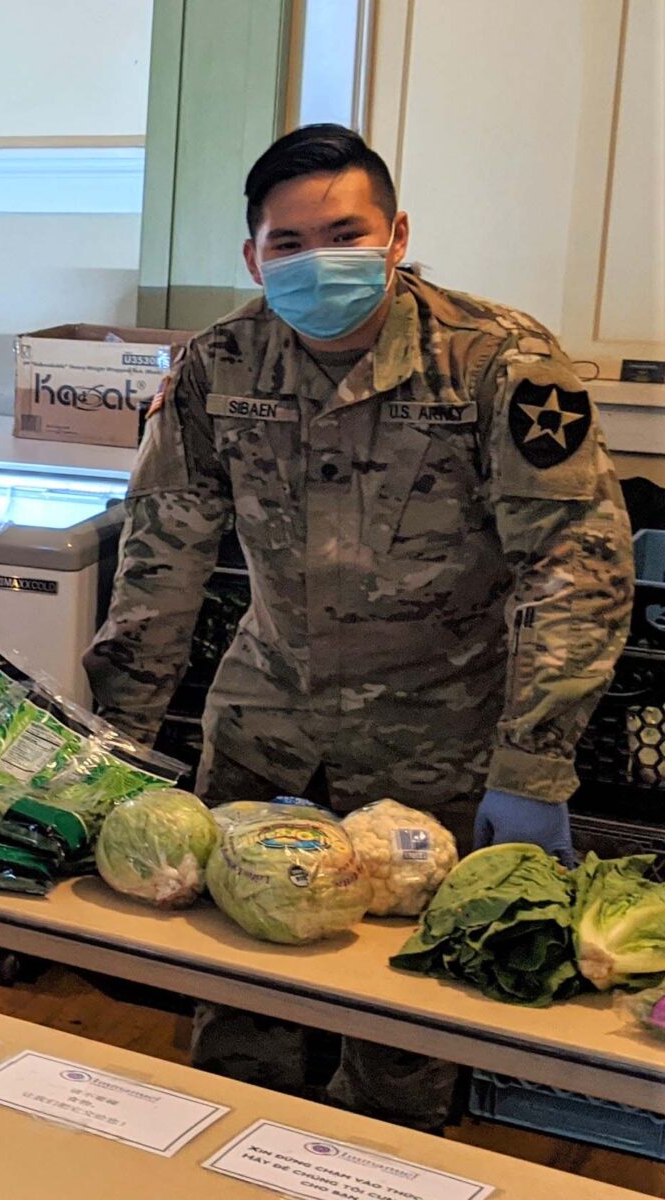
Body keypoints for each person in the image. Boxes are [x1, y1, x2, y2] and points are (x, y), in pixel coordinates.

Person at [84, 124, 631, 1128]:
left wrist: (534, 764)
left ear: (396, 233)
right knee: (238, 1026)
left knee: (403, 1048)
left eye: (345, 233)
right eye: (288, 244)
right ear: (252, 255)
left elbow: (574, 567)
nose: (316, 262)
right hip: (262, 737)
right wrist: (113, 737)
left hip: (438, 747)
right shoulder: (219, 365)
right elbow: (162, 554)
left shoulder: (496, 361)